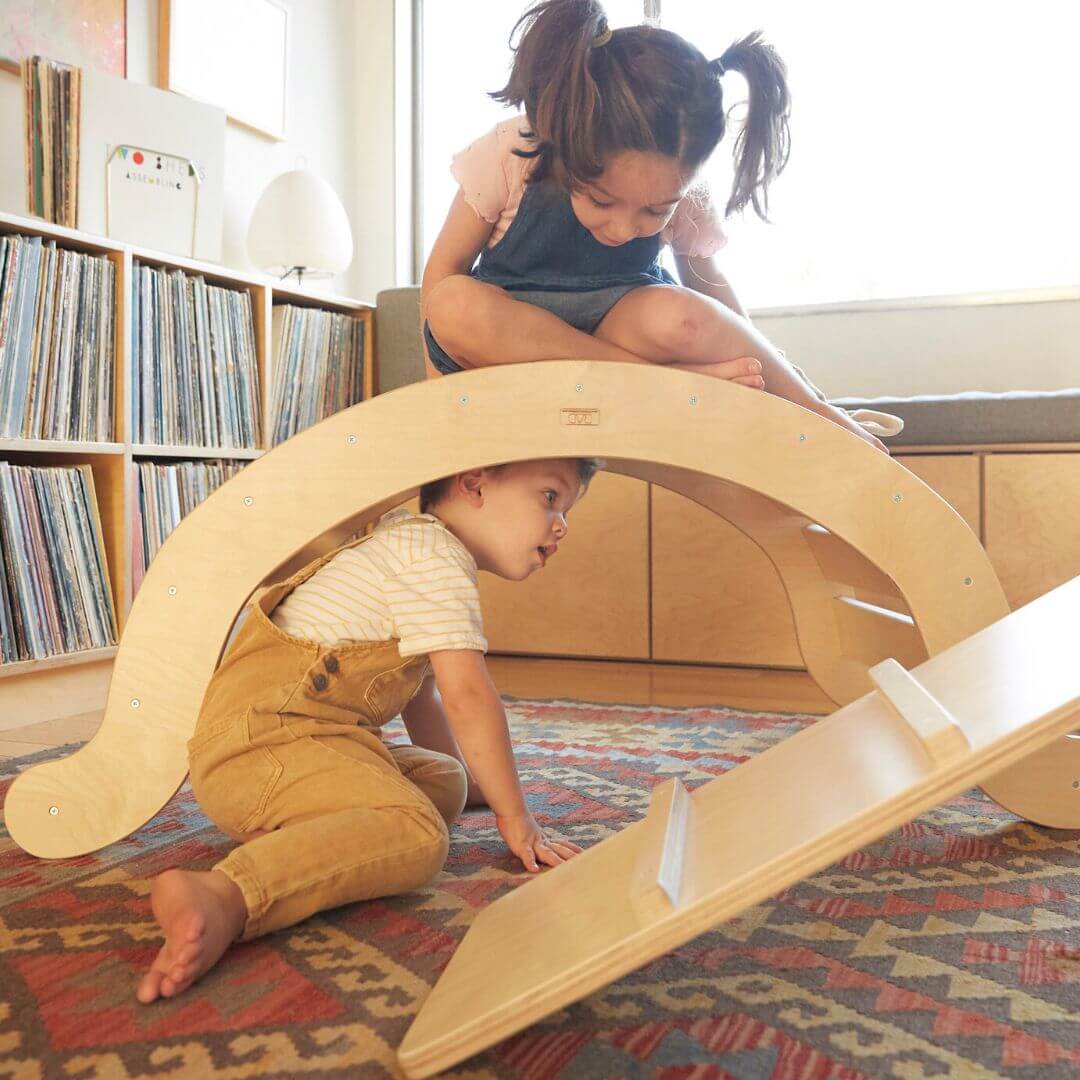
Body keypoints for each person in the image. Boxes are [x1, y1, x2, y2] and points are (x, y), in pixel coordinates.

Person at [136, 456, 597, 1004]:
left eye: (566, 509)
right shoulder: (433, 556)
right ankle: (226, 892)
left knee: (445, 780)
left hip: (296, 742)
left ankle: (302, 834)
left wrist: (479, 785)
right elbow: (467, 696)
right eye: (550, 497)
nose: (561, 523)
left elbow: (422, 694)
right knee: (419, 834)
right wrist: (516, 818)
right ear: (474, 484)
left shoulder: (412, 542)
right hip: (262, 748)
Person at [422, 0, 899, 452]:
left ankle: (761, 400)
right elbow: (442, 273)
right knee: (451, 302)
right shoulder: (513, 151)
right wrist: (433, 400)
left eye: (655, 212)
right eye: (602, 200)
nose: (624, 228)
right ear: (567, 139)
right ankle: (670, 384)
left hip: (621, 328)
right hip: (515, 347)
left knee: (682, 314)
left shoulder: (687, 192)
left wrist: (806, 399)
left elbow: (715, 304)